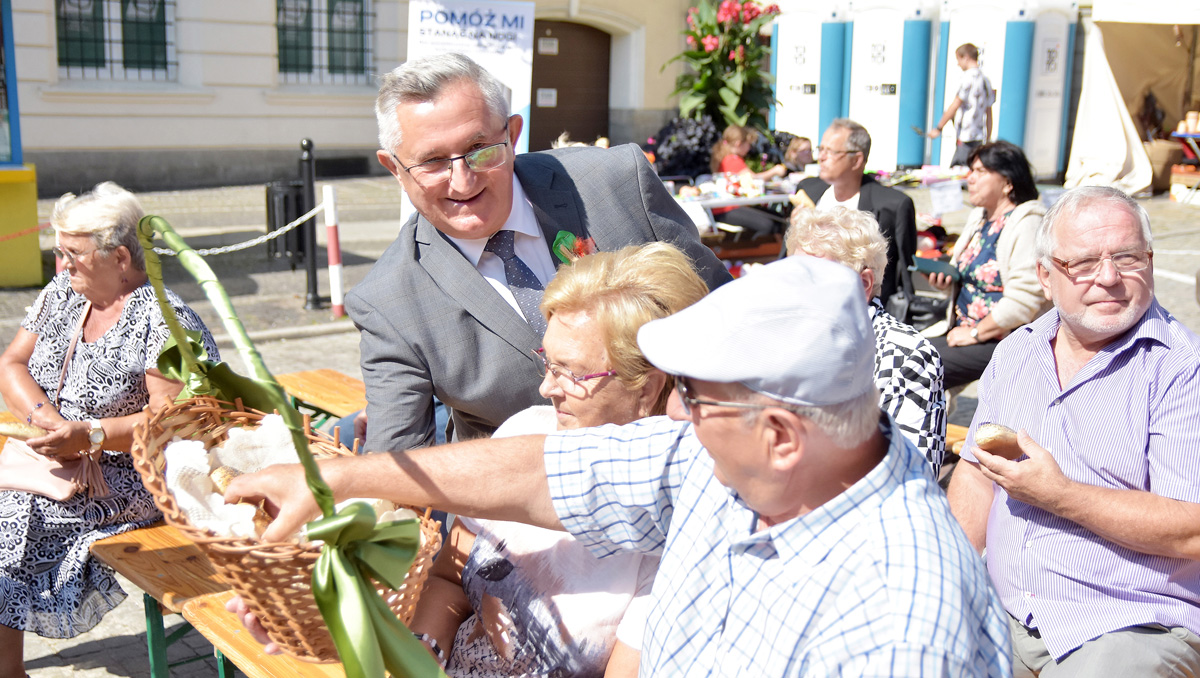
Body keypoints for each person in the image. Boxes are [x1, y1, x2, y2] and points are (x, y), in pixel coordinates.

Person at [228, 255, 1011, 676]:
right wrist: (344, 478)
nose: (677, 418)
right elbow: (544, 472)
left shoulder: (898, 626)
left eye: (695, 401)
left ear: (779, 434)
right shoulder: (753, 467)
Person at [349, 52, 730, 453]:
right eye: (432, 162)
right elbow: (398, 469)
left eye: (479, 148)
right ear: (394, 169)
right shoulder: (388, 303)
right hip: (527, 503)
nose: (461, 181)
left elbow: (724, 313)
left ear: (512, 135)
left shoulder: (616, 182)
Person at [409, 242, 707, 677]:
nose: (548, 388)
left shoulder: (673, 523)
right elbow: (447, 581)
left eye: (571, 372)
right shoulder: (527, 428)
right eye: (547, 362)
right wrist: (421, 656)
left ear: (646, 388)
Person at [947, 186, 1200, 677]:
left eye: (1127, 257)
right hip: (1005, 611)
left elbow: (1194, 528)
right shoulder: (1018, 351)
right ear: (1045, 276)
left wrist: (1060, 494)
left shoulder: (1182, 369)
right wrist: (946, 576)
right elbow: (978, 474)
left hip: (1129, 625)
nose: (1109, 278)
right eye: (1083, 263)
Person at [0, 182, 219, 677]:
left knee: (8, 517)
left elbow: (178, 422)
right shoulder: (63, 293)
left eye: (72, 253)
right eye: (58, 251)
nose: (61, 265)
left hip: (137, 476)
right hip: (63, 457)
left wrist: (90, 434)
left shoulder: (164, 320)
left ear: (120, 257)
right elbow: (11, 362)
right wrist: (52, 423)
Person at [786, 206, 947, 475]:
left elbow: (914, 473)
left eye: (813, 276)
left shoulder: (908, 355)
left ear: (862, 284)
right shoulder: (783, 338)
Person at [926, 141, 1050, 390]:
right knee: (900, 352)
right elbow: (972, 278)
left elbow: (1024, 301)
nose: (970, 178)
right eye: (971, 170)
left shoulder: (1027, 223)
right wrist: (945, 282)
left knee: (917, 366)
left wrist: (975, 333)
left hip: (1004, 337)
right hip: (963, 328)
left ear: (1008, 182)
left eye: (981, 172)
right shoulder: (979, 218)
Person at [795, 118, 917, 305]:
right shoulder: (808, 190)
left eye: (831, 151)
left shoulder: (892, 205)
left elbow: (903, 274)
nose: (821, 157)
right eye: (821, 149)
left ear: (857, 159)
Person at [707, 125, 789, 240]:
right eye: (748, 144)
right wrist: (774, 171)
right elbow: (753, 179)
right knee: (768, 225)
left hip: (728, 207)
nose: (749, 148)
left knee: (776, 219)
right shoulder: (732, 159)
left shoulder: (726, 157)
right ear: (739, 143)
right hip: (726, 209)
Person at [929, 43, 995, 168]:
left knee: (957, 172)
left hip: (965, 136)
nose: (958, 64)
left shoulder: (967, 78)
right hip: (979, 136)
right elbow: (989, 112)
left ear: (966, 57)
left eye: (958, 59)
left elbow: (955, 105)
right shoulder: (986, 80)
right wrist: (988, 137)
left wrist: (938, 128)